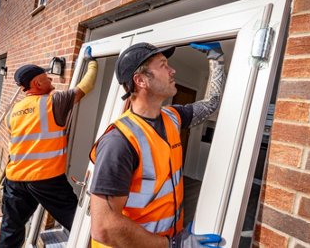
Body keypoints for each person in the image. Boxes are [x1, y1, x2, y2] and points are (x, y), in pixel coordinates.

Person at [89, 42, 226, 247]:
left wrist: (216, 58)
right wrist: (172, 245)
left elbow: (210, 104)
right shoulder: (119, 142)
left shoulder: (173, 117)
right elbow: (104, 227)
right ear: (141, 80)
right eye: (163, 65)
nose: (172, 70)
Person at [0, 47, 98, 248]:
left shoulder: (13, 112)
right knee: (80, 224)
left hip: (15, 180)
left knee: (10, 231)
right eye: (47, 78)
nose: (52, 80)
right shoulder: (54, 102)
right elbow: (86, 85)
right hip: (46, 179)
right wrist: (92, 61)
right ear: (36, 83)